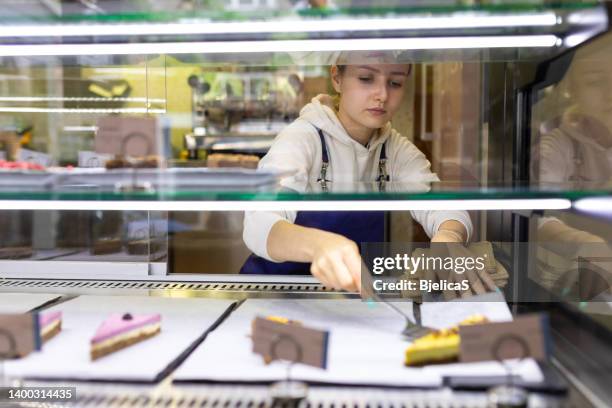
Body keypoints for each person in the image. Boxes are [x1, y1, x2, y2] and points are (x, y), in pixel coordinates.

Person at [241, 52, 473, 292]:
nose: (382, 95)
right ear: (336, 78)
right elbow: (259, 224)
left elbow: (443, 205)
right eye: (365, 78)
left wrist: (449, 239)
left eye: (395, 83)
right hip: (276, 294)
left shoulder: (392, 148)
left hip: (351, 298)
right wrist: (319, 245)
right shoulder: (303, 138)